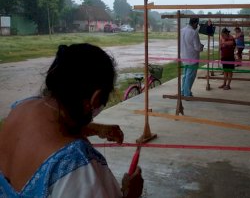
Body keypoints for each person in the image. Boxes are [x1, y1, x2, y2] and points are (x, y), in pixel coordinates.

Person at [0, 43, 143, 197]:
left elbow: (49, 132)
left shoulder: (22, 108)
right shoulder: (76, 165)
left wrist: (97, 129)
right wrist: (131, 195)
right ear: (95, 99)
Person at [180, 18, 204, 97]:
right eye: (197, 24)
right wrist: (201, 47)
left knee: (185, 76)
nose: (197, 26)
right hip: (192, 58)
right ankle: (187, 93)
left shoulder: (182, 30)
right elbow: (197, 47)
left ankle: (183, 91)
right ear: (195, 23)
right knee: (190, 77)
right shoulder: (193, 32)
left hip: (184, 56)